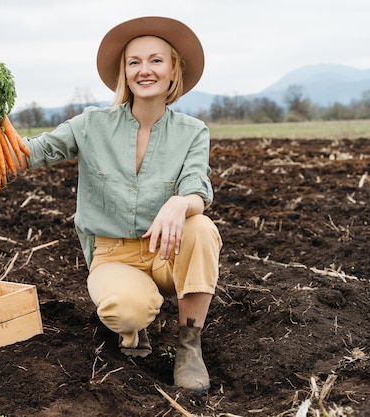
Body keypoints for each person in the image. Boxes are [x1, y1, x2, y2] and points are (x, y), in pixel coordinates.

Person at [18, 16, 222, 392]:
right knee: (126, 311)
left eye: (156, 60)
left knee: (201, 228)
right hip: (113, 254)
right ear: (124, 73)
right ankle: (134, 328)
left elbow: (197, 186)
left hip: (166, 250)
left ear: (174, 68)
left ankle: (189, 346)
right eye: (134, 62)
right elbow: (34, 151)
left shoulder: (193, 131)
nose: (145, 70)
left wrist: (181, 203)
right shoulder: (92, 124)